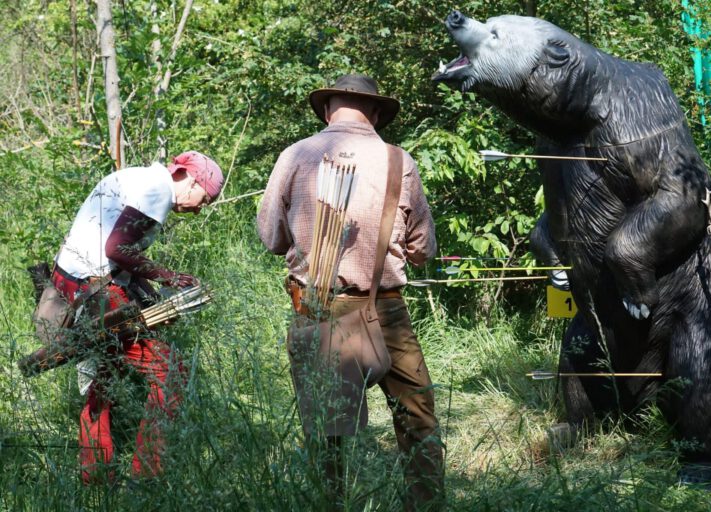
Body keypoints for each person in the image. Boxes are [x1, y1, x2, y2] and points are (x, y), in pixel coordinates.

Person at [258, 74, 444, 510]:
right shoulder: (400, 161)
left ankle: (330, 505)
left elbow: (271, 239)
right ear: (376, 113)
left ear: (327, 110)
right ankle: (427, 505)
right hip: (387, 314)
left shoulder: (296, 155)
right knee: (418, 421)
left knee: (327, 430)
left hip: (317, 307)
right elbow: (423, 251)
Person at [51, 151, 223, 483]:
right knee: (172, 373)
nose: (203, 206)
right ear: (189, 178)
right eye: (206, 197)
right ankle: (148, 477)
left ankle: (96, 476)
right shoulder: (158, 190)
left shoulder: (140, 178)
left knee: (106, 375)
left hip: (75, 282)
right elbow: (117, 248)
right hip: (94, 290)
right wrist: (167, 276)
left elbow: (116, 248)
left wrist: (143, 284)